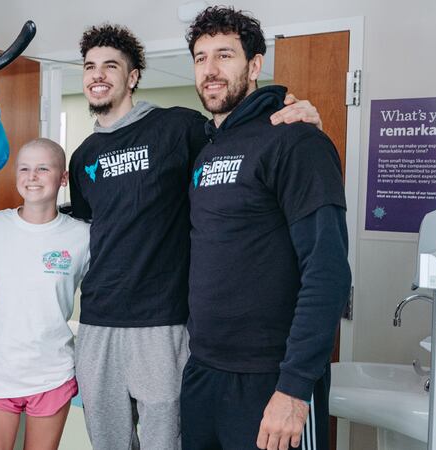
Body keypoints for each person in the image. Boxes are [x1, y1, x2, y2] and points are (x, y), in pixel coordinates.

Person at [68, 23, 324, 450]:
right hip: (99, 322)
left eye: (110, 65)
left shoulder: (179, 128)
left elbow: (239, 136)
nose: (98, 74)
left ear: (131, 77)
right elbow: (91, 230)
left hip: (165, 321)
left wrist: (295, 108)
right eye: (90, 66)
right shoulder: (82, 158)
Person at [181, 7, 351, 450]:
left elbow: (327, 271)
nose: (211, 70)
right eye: (200, 58)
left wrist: (294, 389)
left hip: (271, 378)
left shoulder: (296, 140)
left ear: (255, 65)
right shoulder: (206, 150)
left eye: (225, 55)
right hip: (203, 371)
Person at [0, 138, 90, 450]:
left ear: (62, 178)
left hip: (52, 373)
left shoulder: (83, 236)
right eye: (24, 168)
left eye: (42, 168)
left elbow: (103, 293)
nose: (32, 176)